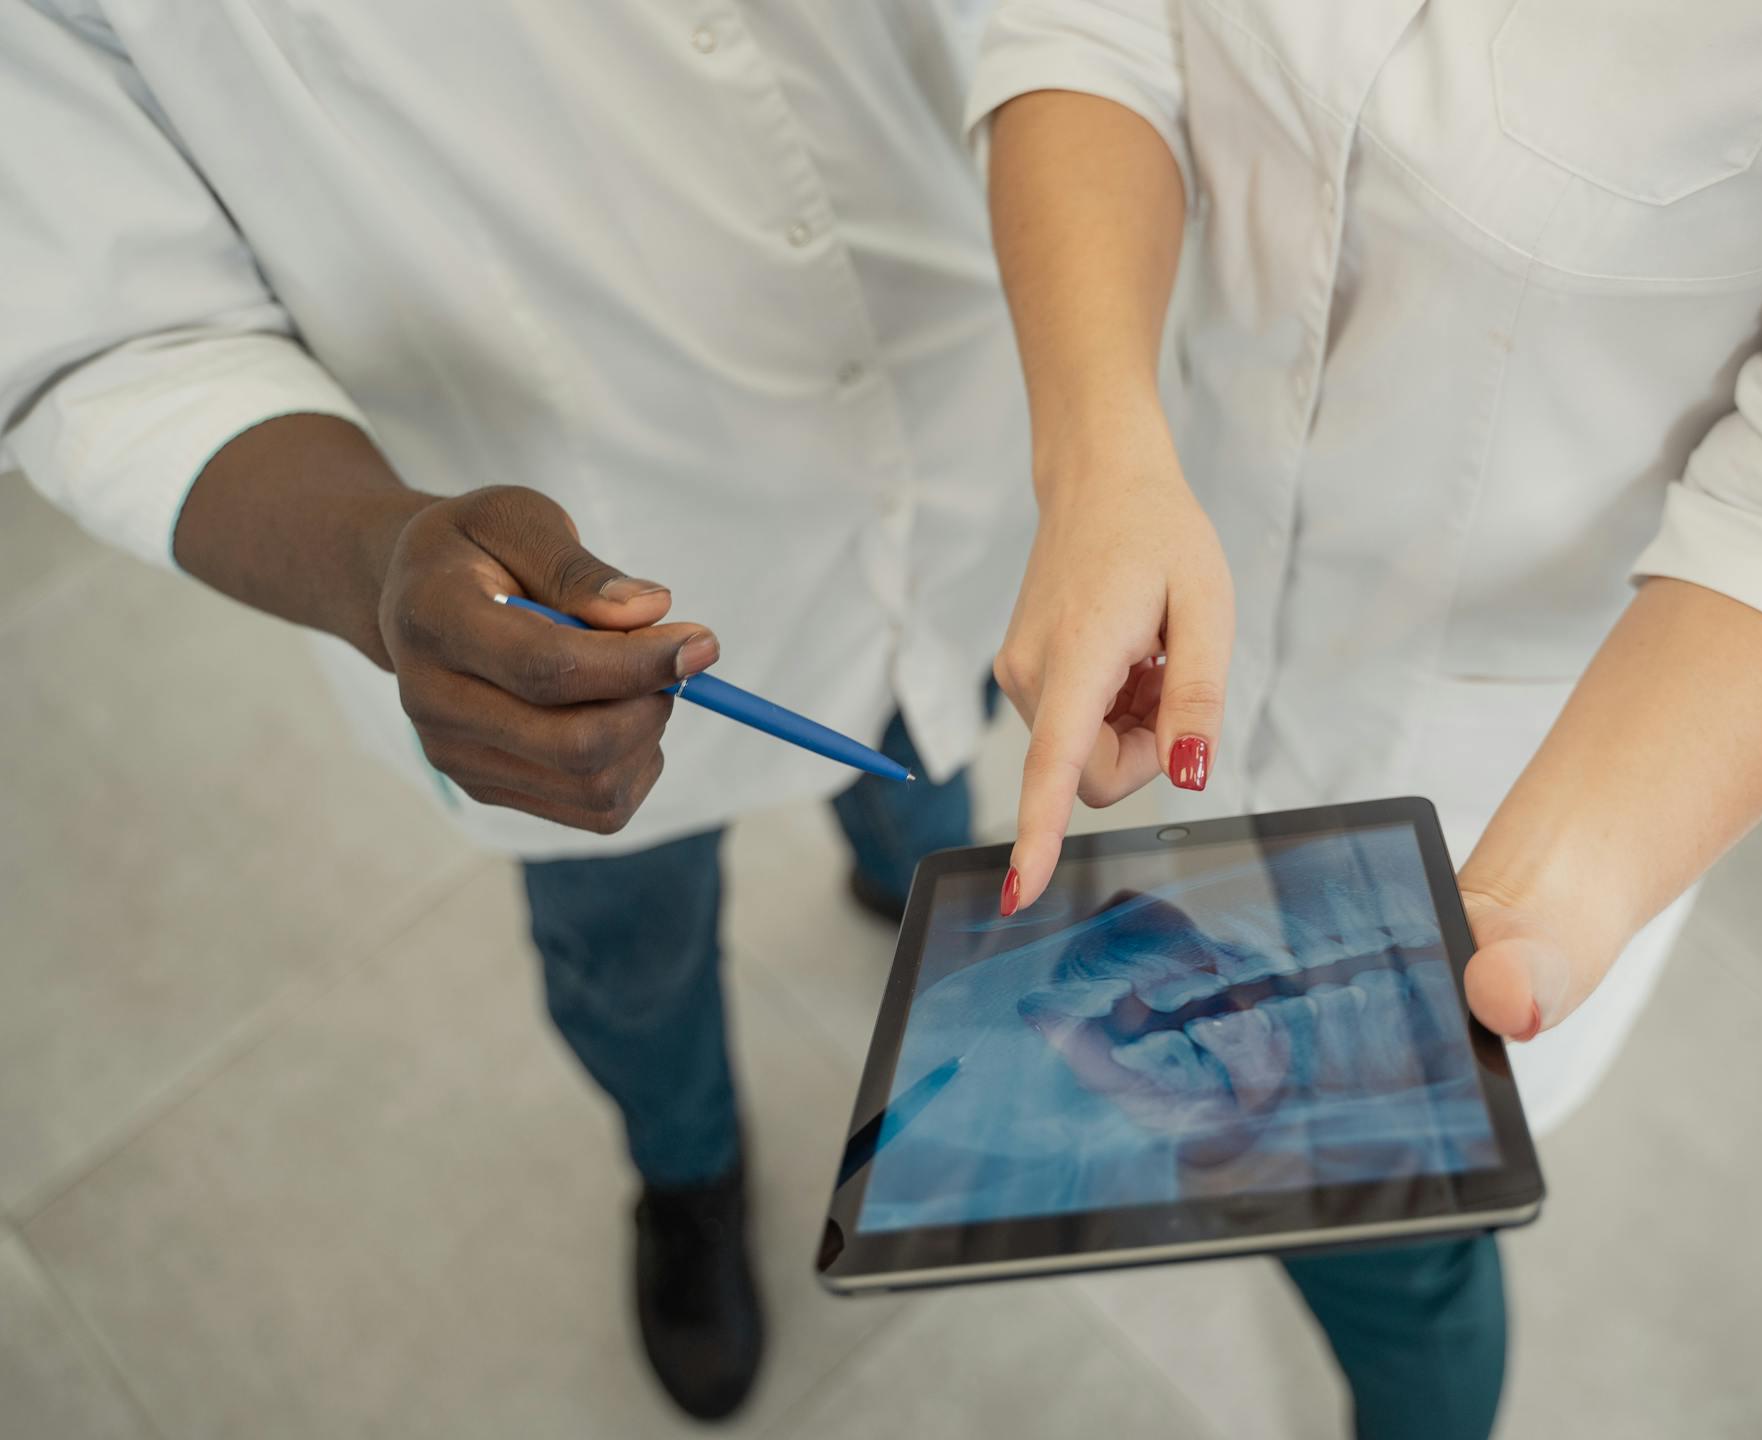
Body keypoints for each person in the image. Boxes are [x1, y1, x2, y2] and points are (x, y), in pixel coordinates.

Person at [966, 1, 1762, 1435]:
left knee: (1391, 1241)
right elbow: (1089, 26)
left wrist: (1536, 904)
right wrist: (1103, 451)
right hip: (1177, 584)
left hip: (1539, 763)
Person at [0, 2, 1029, 1420]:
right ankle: (687, 1172)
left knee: (930, 764)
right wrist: (376, 562)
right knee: (632, 951)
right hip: (555, 577)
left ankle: (903, 889)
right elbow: (106, 327)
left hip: (956, 417)